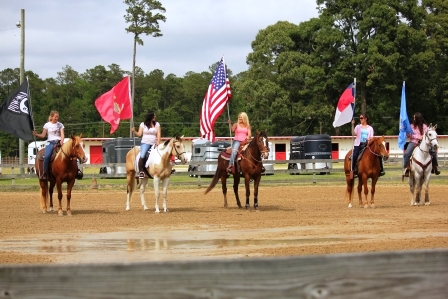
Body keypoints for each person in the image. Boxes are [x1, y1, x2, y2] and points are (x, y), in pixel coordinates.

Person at [403, 112, 440, 177]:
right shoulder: (411, 126)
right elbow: (409, 135)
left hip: (424, 142)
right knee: (407, 154)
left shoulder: (424, 126)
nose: (414, 119)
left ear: (418, 118)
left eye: (415, 118)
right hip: (413, 142)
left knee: (433, 152)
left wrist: (422, 136)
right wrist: (406, 130)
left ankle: (435, 167)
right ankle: (407, 168)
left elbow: (427, 133)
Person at [32, 110, 65, 180]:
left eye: (57, 117)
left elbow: (62, 134)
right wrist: (36, 134)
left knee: (71, 152)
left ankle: (76, 171)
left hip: (59, 142)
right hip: (51, 143)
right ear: (52, 117)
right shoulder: (47, 125)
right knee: (47, 156)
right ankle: (44, 173)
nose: (56, 118)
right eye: (55, 117)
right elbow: (43, 135)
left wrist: (62, 141)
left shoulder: (60, 125)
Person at [132, 111, 161, 178]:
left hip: (154, 143)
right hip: (145, 143)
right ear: (150, 116)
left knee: (162, 153)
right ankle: (141, 171)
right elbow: (139, 134)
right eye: (154, 115)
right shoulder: (143, 124)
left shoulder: (157, 124)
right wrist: (134, 131)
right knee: (142, 155)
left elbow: (159, 134)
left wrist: (158, 142)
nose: (155, 117)